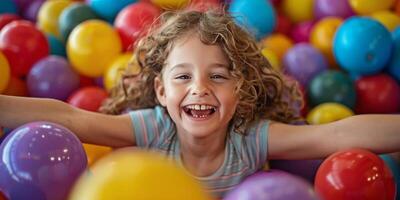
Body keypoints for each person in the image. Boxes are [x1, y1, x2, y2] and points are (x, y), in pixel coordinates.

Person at [1, 10, 400, 198]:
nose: (199, 88)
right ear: (161, 92)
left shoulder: (249, 139)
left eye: (218, 76)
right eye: (183, 77)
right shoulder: (155, 129)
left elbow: (334, 134)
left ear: (240, 90)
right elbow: (72, 117)